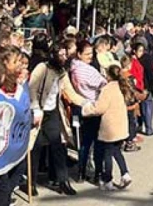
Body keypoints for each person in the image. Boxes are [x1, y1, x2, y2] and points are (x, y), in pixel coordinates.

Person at [29, 42, 86, 196]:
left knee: (59, 146)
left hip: (53, 111)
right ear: (53, 54)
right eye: (60, 55)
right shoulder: (43, 68)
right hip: (39, 111)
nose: (63, 58)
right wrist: (35, 108)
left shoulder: (62, 72)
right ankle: (31, 183)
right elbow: (32, 87)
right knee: (36, 147)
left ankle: (63, 181)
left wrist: (86, 103)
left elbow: (70, 92)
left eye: (65, 55)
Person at [82, 64, 133, 192]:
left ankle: (108, 180)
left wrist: (87, 109)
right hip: (121, 126)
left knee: (107, 155)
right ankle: (125, 174)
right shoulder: (121, 87)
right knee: (117, 151)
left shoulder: (107, 89)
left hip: (110, 128)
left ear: (108, 75)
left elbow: (100, 108)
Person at [70, 40, 107, 185]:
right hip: (92, 106)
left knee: (84, 143)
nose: (90, 56)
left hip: (80, 107)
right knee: (96, 142)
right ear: (79, 54)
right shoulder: (85, 70)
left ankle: (81, 172)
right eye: (86, 54)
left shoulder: (72, 68)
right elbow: (102, 83)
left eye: (91, 53)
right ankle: (97, 173)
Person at [133, 42, 153, 136]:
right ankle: (148, 128)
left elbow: (151, 74)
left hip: (144, 86)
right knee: (147, 106)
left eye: (142, 51)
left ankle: (145, 127)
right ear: (134, 51)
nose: (141, 53)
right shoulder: (142, 60)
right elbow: (151, 74)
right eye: (139, 51)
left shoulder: (144, 59)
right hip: (142, 87)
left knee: (145, 106)